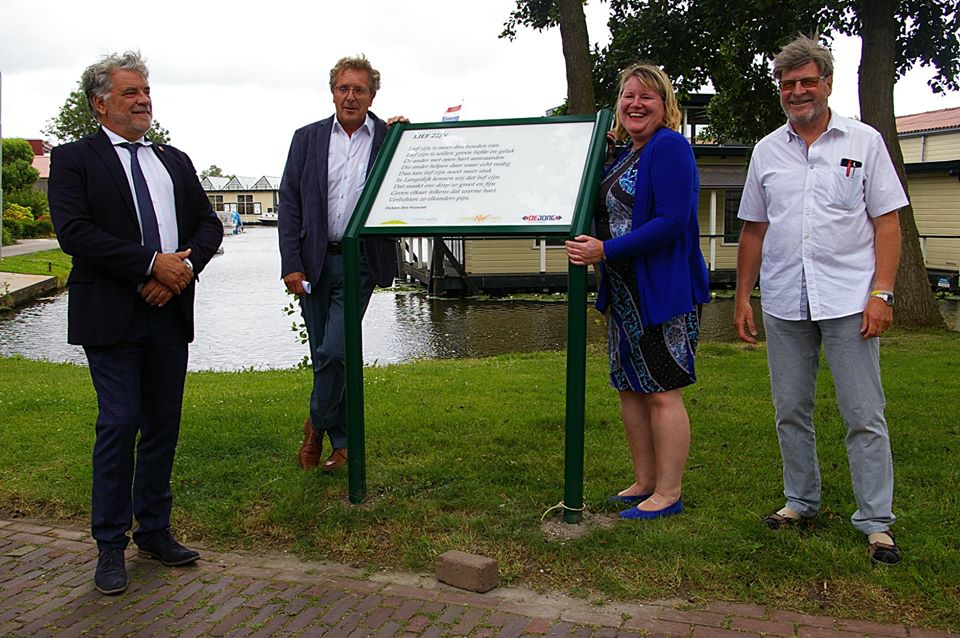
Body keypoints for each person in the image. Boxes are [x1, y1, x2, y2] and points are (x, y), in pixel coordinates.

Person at [48, 51, 223, 594]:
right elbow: (75, 233)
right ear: (100, 103)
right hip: (112, 315)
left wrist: (181, 267)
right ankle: (109, 545)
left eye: (145, 90)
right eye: (130, 92)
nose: (143, 99)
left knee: (162, 426)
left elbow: (207, 223)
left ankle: (155, 531)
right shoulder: (74, 158)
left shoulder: (173, 159)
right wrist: (150, 264)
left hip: (170, 312)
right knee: (120, 423)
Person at [734, 35, 908, 565]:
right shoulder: (767, 151)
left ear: (827, 83)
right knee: (791, 409)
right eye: (788, 84)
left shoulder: (865, 142)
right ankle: (800, 502)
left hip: (850, 301)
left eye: (808, 81)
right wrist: (743, 295)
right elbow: (754, 231)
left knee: (863, 413)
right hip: (785, 299)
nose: (798, 91)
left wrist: (883, 292)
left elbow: (888, 224)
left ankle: (876, 522)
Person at [565, 63, 710, 520]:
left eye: (647, 96)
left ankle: (668, 492)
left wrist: (606, 249)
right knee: (630, 388)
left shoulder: (670, 147)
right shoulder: (627, 154)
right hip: (624, 293)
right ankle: (644, 481)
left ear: (666, 106)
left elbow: (670, 223)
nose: (635, 103)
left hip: (662, 290)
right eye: (628, 96)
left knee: (663, 390)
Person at [279, 55, 401, 471]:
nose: (351, 96)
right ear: (333, 91)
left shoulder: (389, 138)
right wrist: (290, 263)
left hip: (358, 261)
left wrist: (407, 131)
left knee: (334, 349)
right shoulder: (306, 138)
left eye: (360, 90)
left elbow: (417, 163)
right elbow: (290, 205)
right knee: (327, 353)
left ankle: (315, 427)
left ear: (372, 95)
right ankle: (344, 443)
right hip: (313, 262)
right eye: (343, 88)